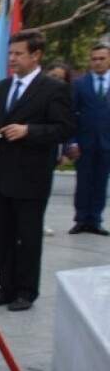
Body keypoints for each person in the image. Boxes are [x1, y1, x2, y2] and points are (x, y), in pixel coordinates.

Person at [0, 29, 75, 311]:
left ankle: (25, 291)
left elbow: (64, 128)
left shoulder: (53, 89)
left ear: (36, 55)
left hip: (30, 176)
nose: (13, 59)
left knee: (28, 236)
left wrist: (28, 131)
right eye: (10, 53)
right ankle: (5, 287)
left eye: (19, 54)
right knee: (2, 236)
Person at [67, 42, 110, 235]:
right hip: (84, 143)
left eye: (102, 58)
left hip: (106, 143)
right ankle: (81, 219)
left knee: (100, 182)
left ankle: (95, 220)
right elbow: (71, 114)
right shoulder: (80, 84)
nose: (98, 62)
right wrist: (72, 142)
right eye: (94, 59)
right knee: (83, 182)